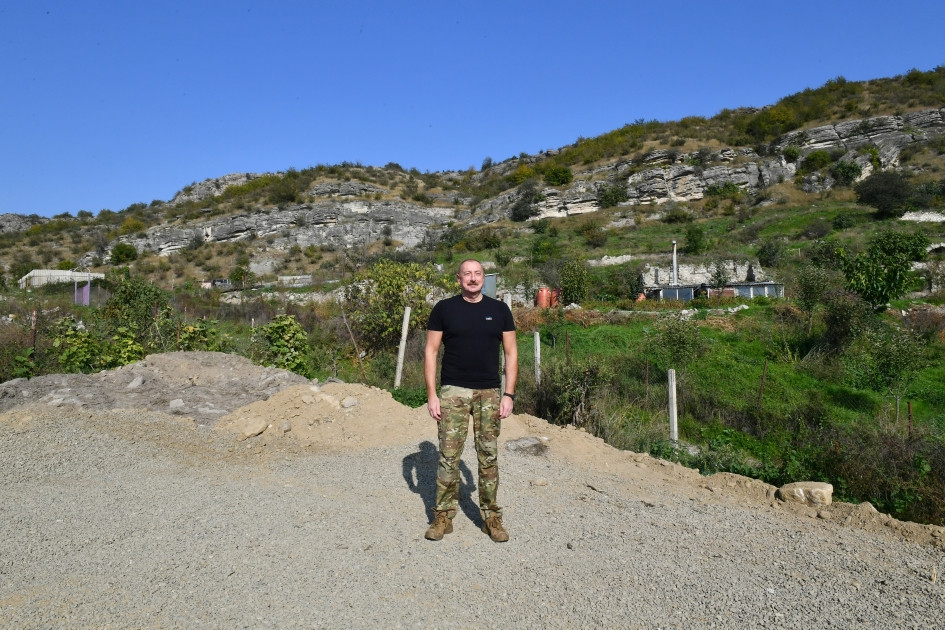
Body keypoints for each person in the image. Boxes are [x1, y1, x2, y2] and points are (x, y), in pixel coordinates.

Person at [423, 259, 518, 542]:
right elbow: (430, 352)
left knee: (488, 457)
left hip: (489, 392)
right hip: (453, 392)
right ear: (458, 278)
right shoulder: (444, 309)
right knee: (448, 457)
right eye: (467, 274)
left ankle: (491, 518)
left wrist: (508, 394)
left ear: (483, 278)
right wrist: (432, 395)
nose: (473, 279)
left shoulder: (499, 310)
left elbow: (511, 354)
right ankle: (442, 517)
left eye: (477, 274)